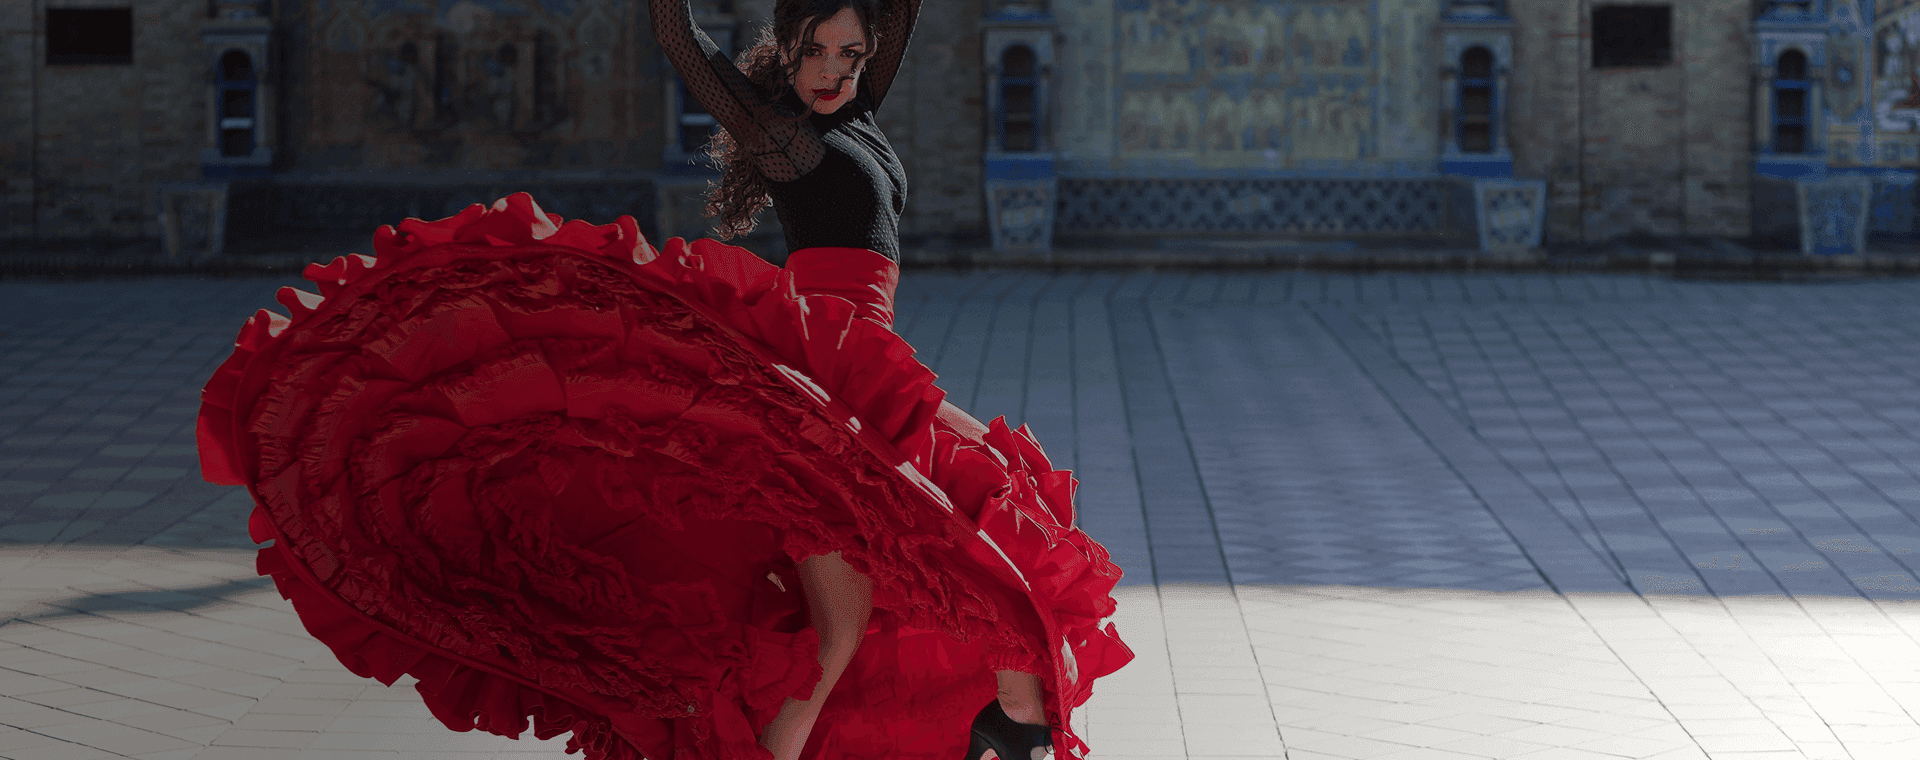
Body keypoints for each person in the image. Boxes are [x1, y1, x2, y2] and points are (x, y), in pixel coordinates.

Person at [195, 0, 1131, 758]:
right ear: (787, 48)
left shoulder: (858, 112)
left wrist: (866, 45)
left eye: (850, 54)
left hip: (871, 376)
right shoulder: (786, 136)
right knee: (849, 633)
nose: (834, 70)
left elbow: (901, 13)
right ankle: (1002, 725)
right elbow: (679, 38)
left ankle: (1008, 723)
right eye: (815, 51)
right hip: (822, 403)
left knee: (1001, 507)